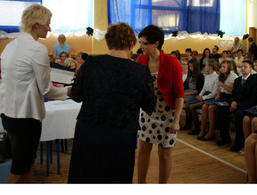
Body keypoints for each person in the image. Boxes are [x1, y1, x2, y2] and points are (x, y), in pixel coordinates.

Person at [68, 23, 155, 183]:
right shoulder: (140, 71)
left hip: (89, 129)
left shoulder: (90, 64)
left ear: (108, 42)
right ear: (131, 44)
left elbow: (76, 95)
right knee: (116, 178)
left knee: (84, 177)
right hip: (121, 134)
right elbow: (150, 106)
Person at [0, 4, 69, 182]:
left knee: (27, 164)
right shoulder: (37, 49)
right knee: (18, 172)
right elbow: (46, 89)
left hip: (8, 113)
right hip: (25, 116)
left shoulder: (11, 45)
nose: (49, 28)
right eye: (47, 24)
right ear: (36, 24)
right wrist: (69, 92)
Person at [135, 24, 184, 184]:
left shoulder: (171, 62)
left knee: (164, 154)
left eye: (144, 43)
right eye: (140, 42)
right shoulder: (141, 60)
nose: (140, 46)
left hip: (167, 114)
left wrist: (176, 121)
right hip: (147, 113)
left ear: (156, 44)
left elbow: (179, 94)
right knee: (143, 150)